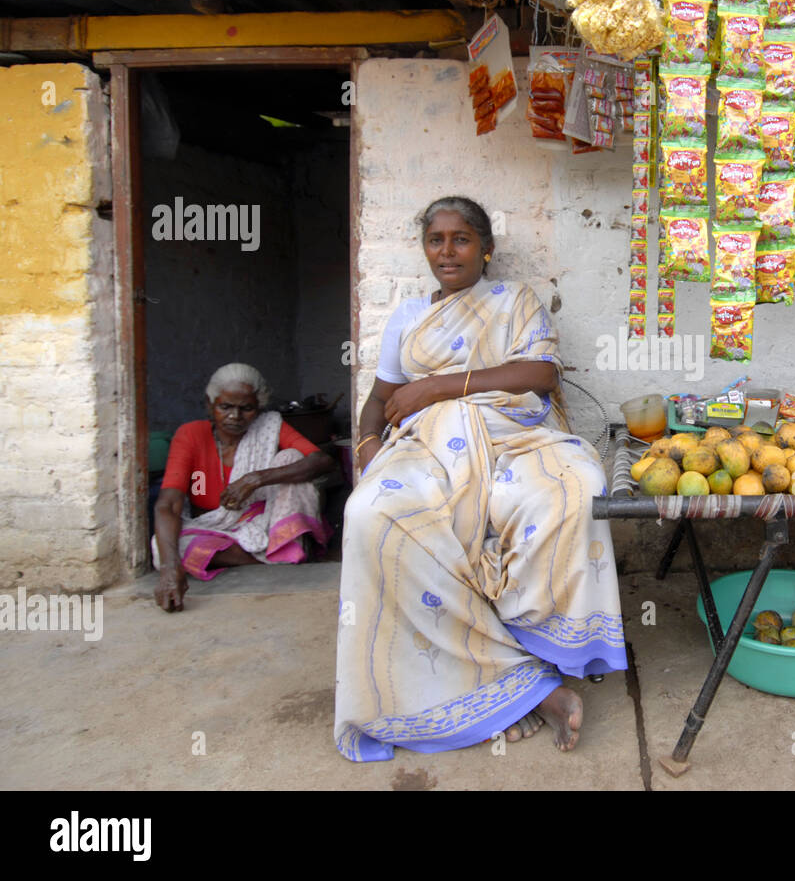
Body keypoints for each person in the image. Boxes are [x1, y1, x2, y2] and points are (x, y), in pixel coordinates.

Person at [334, 196, 625, 762]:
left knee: (576, 483)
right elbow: (377, 402)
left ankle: (533, 658)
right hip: (426, 446)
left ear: (486, 248)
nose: (447, 250)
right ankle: (517, 686)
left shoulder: (515, 300)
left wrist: (438, 386)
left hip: (514, 436)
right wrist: (369, 449)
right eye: (436, 239)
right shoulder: (409, 316)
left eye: (461, 238)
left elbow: (540, 375)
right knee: (370, 513)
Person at [154, 363, 335, 612]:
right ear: (210, 404)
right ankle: (277, 556)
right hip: (212, 527)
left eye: (246, 408)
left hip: (263, 522)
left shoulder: (269, 427)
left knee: (291, 458)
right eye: (225, 407)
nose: (235, 417)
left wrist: (256, 479)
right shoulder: (190, 435)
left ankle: (275, 550)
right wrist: (169, 568)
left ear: (258, 408)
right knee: (163, 546)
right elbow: (168, 504)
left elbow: (322, 461)